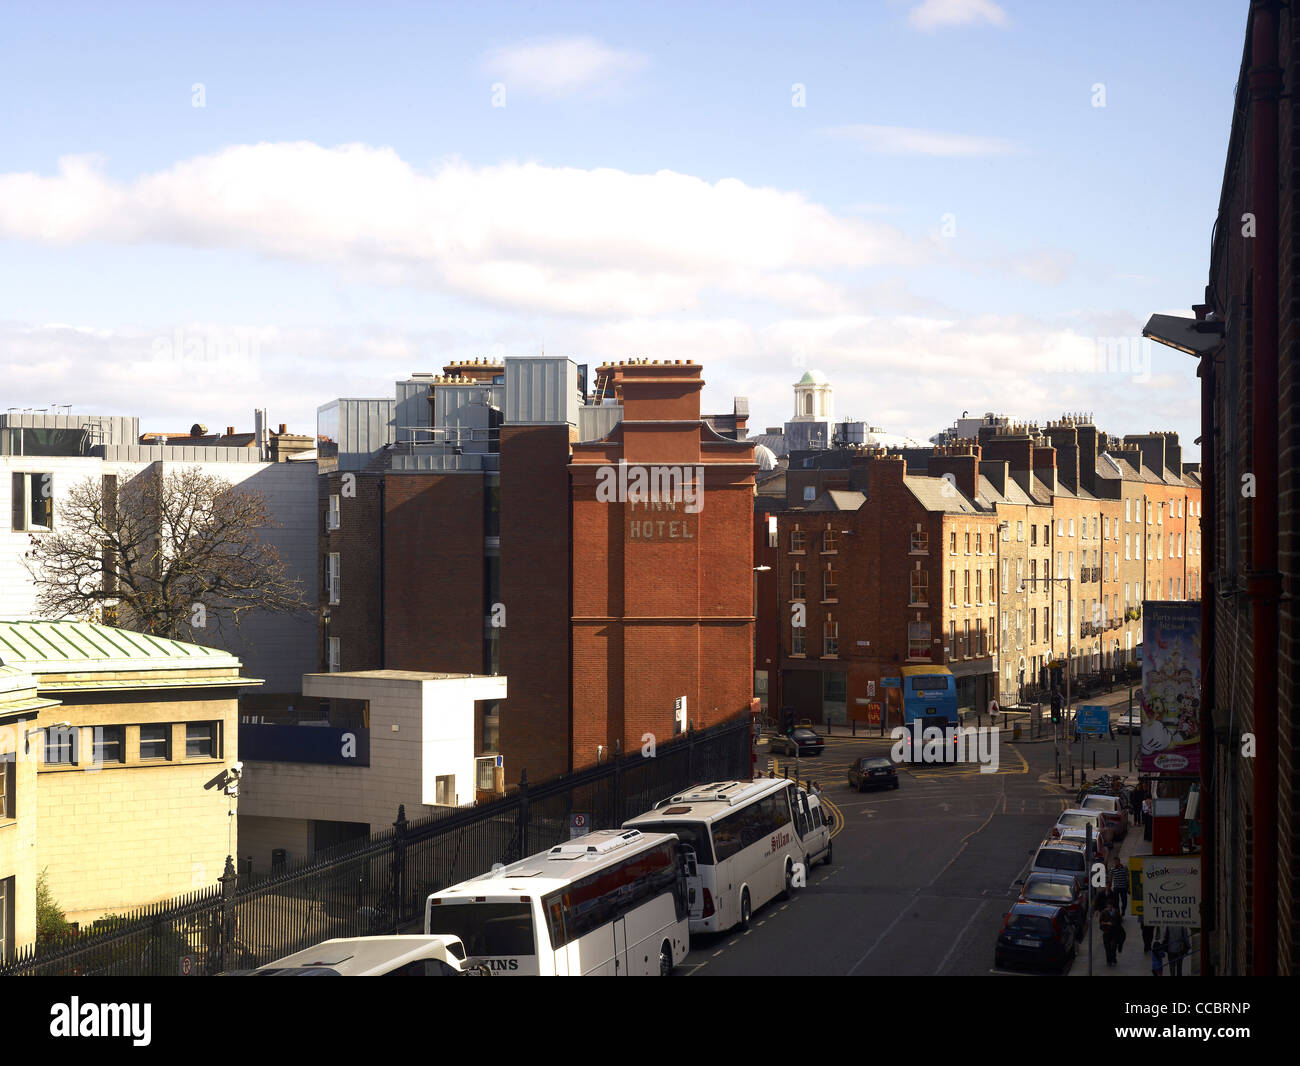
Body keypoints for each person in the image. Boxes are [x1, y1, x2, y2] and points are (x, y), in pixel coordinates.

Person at [1099, 900, 1122, 967]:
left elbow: (1119, 922)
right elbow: (1101, 923)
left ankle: (1113, 958)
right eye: (1108, 906)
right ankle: (1109, 960)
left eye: (1110, 906)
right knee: (1107, 947)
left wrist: (1114, 924)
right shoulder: (1103, 913)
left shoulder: (1116, 912)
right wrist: (1106, 924)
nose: (1109, 907)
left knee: (1113, 947)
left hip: (1115, 933)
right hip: (1106, 933)